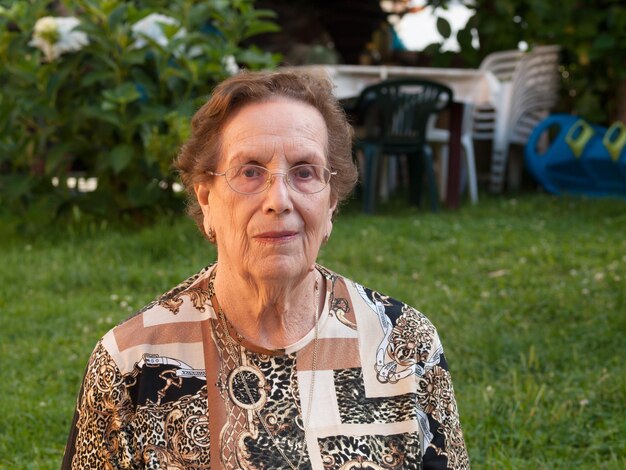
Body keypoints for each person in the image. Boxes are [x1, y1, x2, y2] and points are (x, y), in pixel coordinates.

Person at [62, 70, 469, 469]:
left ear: (330, 204)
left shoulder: (405, 345)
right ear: (206, 200)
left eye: (304, 172)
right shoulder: (133, 365)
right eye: (251, 171)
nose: (279, 200)